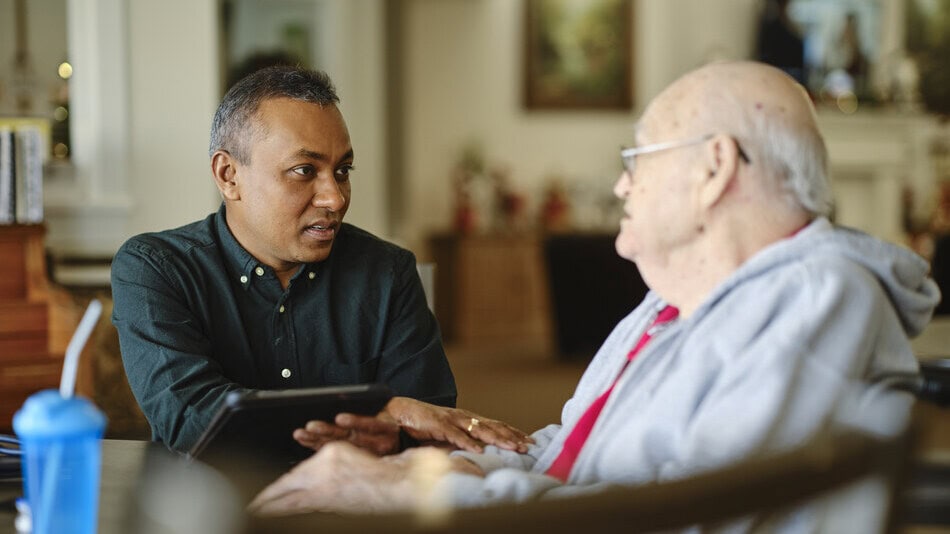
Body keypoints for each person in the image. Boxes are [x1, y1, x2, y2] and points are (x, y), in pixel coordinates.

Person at [247, 61, 940, 525]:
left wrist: (418, 490)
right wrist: (445, 457)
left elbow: (681, 515)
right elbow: (580, 453)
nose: (619, 187)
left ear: (714, 168)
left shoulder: (815, 301)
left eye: (636, 159)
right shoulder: (670, 307)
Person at [111, 65, 531, 456]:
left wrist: (399, 419)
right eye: (303, 170)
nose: (335, 198)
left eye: (343, 170)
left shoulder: (388, 272)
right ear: (228, 175)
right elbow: (192, 418)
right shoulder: (155, 269)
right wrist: (385, 413)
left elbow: (432, 425)